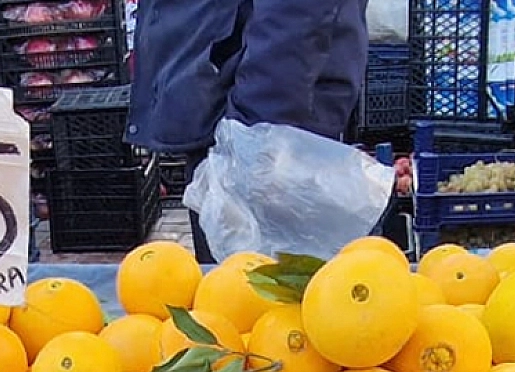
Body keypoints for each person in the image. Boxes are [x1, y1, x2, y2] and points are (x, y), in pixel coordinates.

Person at [125, 0, 371, 264]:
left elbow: (293, 17)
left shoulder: (251, 133)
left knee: (253, 288)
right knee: (233, 288)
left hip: (258, 118)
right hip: (229, 106)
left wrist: (253, 134)